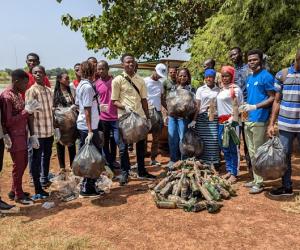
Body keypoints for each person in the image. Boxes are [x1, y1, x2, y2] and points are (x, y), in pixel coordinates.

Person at [111, 53, 156, 185]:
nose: (130, 64)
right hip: (124, 119)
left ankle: (142, 171)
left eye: (132, 62)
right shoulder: (117, 80)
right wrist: (124, 107)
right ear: (122, 64)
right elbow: (114, 101)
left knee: (141, 146)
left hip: (139, 118)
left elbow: (144, 100)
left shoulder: (140, 80)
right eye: (127, 62)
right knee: (124, 148)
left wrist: (148, 118)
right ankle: (125, 173)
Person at [0, 69, 41, 205]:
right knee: (19, 165)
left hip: (22, 134)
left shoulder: (18, 94)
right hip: (14, 136)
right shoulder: (7, 96)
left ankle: (14, 190)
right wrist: (26, 111)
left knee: (23, 163)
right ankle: (18, 194)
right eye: (24, 83)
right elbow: (8, 121)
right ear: (16, 81)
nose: (26, 86)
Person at [239, 49, 275, 194]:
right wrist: (246, 107)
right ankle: (255, 178)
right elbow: (253, 96)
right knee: (252, 152)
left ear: (260, 60)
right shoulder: (249, 78)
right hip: (249, 119)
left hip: (260, 119)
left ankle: (259, 183)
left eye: (254, 59)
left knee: (259, 152)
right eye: (249, 60)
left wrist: (255, 106)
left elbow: (272, 97)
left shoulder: (266, 76)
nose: (252, 62)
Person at [267, 49, 300, 197]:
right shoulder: (283, 74)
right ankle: (287, 187)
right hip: (286, 125)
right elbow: (277, 100)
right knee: (284, 156)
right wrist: (271, 123)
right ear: (297, 59)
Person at [26, 65, 54, 200]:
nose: (38, 74)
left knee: (47, 156)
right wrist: (32, 135)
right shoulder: (32, 91)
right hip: (38, 132)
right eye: (35, 73)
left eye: (40, 72)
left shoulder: (49, 91)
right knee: (36, 160)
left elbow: (51, 110)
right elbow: (29, 114)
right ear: (32, 75)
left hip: (49, 131)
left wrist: (56, 128)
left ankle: (44, 179)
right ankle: (37, 187)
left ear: (45, 74)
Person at [76, 61, 103, 197]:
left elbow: (79, 105)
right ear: (92, 71)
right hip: (88, 127)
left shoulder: (81, 84)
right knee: (91, 158)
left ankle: (88, 185)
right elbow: (87, 109)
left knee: (89, 156)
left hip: (86, 125)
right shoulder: (87, 87)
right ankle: (87, 188)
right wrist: (90, 130)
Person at [217, 66, 243, 184]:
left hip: (232, 123)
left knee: (233, 148)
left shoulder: (235, 90)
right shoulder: (221, 89)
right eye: (223, 76)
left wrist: (233, 119)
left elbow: (239, 106)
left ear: (232, 76)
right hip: (221, 122)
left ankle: (234, 173)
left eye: (227, 76)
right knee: (225, 147)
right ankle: (229, 169)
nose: (224, 78)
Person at [229, 47, 252, 171]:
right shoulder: (232, 71)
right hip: (234, 108)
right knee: (235, 135)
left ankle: (251, 167)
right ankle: (235, 166)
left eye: (235, 54)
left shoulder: (248, 69)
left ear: (241, 54)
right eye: (231, 55)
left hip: (246, 108)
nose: (233, 57)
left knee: (247, 135)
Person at [191, 69, 220, 167]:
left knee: (214, 140)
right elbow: (198, 106)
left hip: (213, 118)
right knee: (202, 140)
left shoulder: (218, 90)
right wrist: (194, 120)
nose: (208, 79)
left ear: (214, 78)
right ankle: (203, 163)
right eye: (207, 77)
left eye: (211, 77)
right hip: (202, 118)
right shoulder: (200, 89)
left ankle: (214, 162)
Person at [167, 68, 195, 169]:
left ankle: (184, 160)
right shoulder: (174, 88)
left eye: (185, 76)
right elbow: (170, 101)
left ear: (188, 77)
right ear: (177, 76)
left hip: (184, 118)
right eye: (180, 75)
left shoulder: (191, 89)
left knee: (183, 139)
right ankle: (173, 160)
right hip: (172, 117)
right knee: (172, 138)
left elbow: (194, 105)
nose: (182, 77)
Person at [95, 60, 119, 173]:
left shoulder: (115, 81)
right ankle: (109, 163)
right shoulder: (96, 84)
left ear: (107, 68)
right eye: (98, 69)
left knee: (116, 140)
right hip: (103, 118)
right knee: (104, 142)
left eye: (103, 68)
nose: (101, 71)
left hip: (116, 117)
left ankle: (114, 161)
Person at [144, 63, 167, 166]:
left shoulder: (160, 84)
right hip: (146, 112)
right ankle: (142, 159)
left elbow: (162, 99)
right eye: (157, 74)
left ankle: (153, 158)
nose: (158, 76)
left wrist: (168, 109)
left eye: (160, 75)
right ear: (154, 70)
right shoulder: (145, 81)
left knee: (156, 137)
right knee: (143, 137)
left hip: (157, 113)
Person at [53, 72, 76, 173]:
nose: (68, 80)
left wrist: (73, 107)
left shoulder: (71, 90)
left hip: (71, 123)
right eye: (66, 79)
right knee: (60, 144)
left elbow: (75, 103)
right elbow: (53, 108)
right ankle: (62, 167)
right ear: (59, 80)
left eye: (69, 78)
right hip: (60, 123)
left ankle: (72, 165)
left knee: (72, 143)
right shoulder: (54, 92)